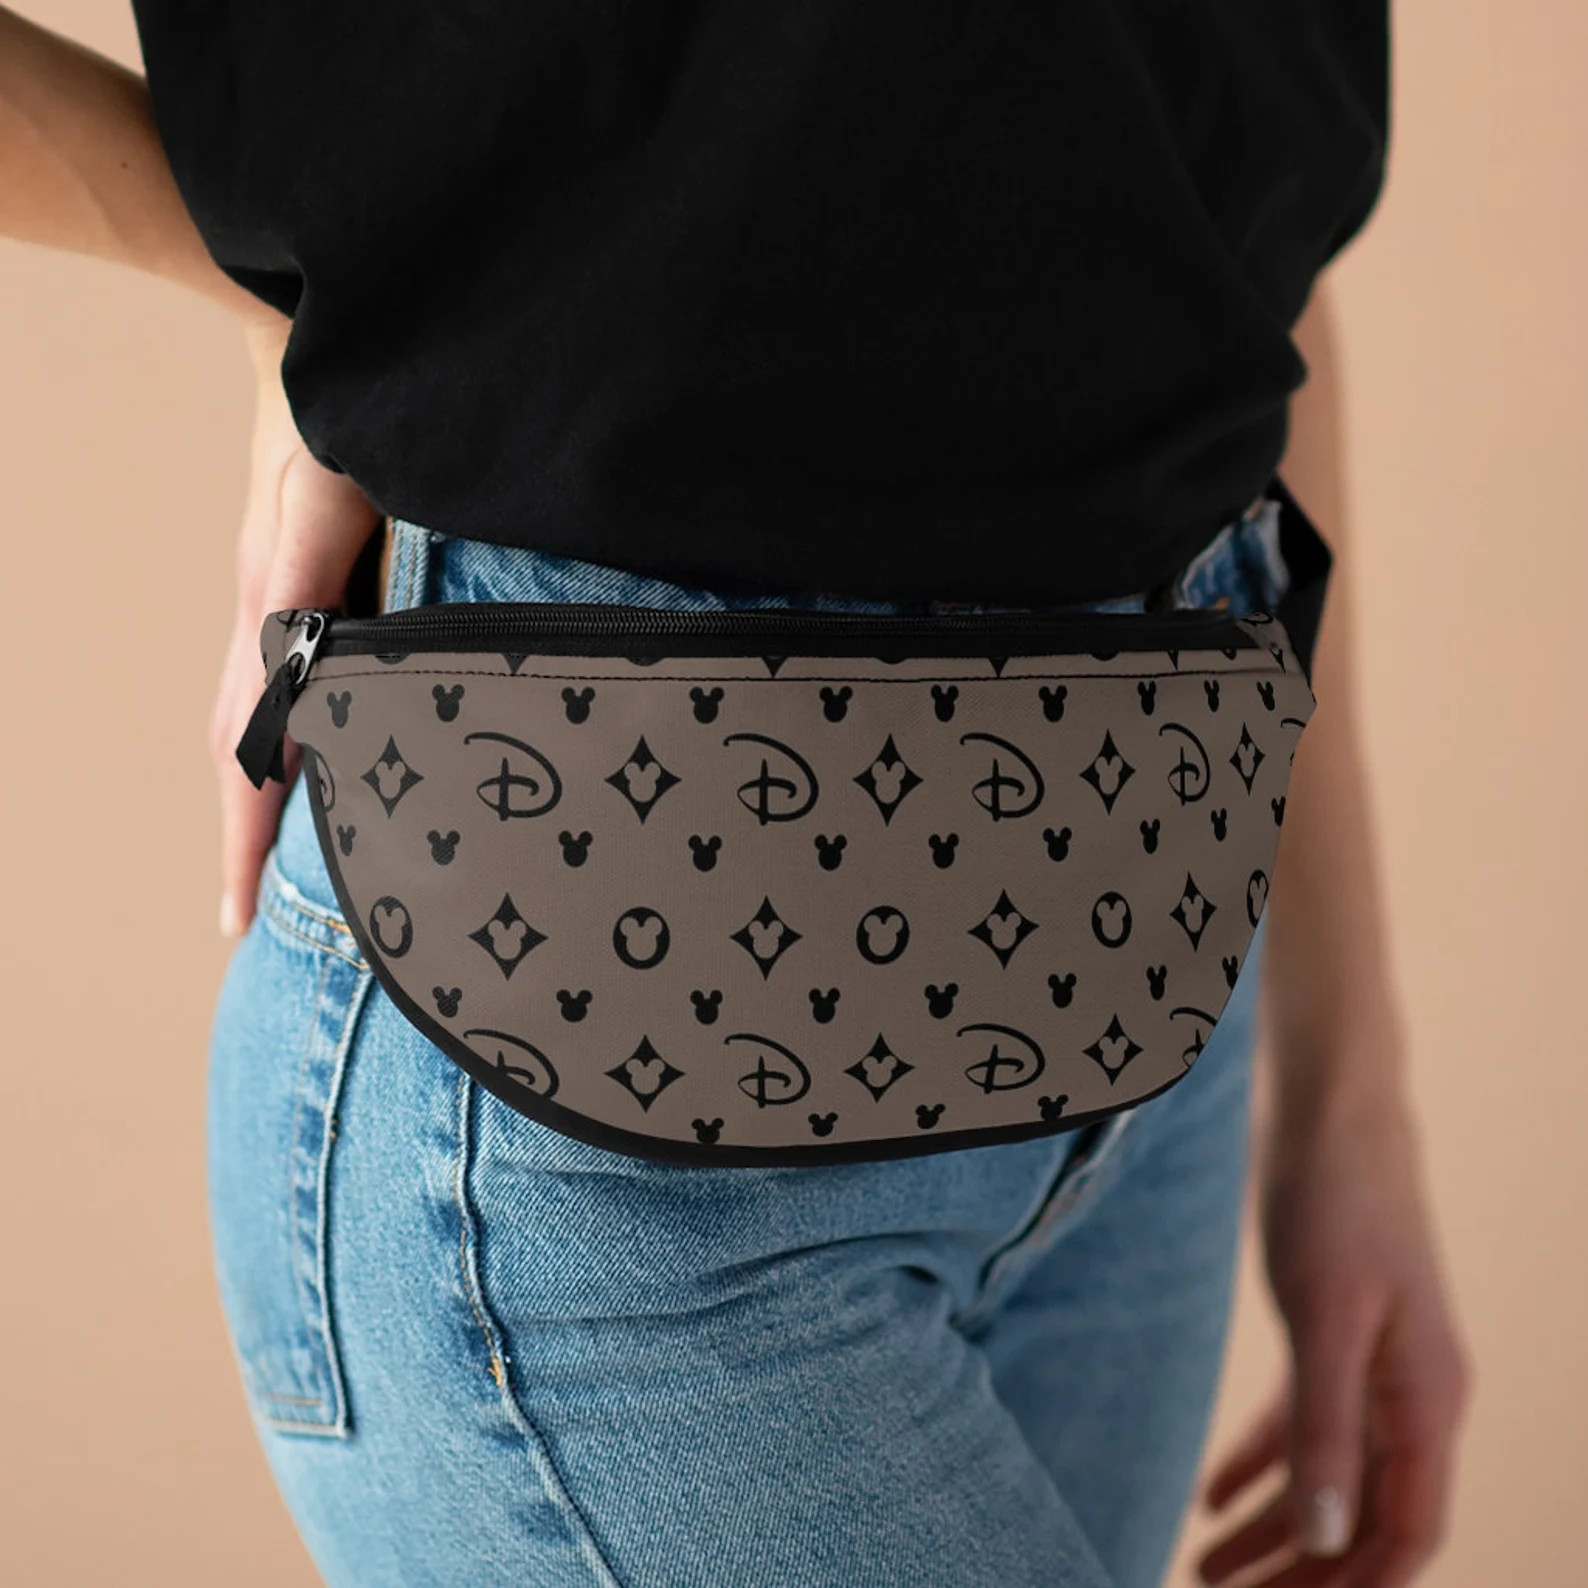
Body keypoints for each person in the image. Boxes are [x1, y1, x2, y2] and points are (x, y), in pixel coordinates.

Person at [2, 5, 1470, 1585]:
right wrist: (279, 308)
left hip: (1157, 976)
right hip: (592, 1098)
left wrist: (1349, 1093)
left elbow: (1232, 213)